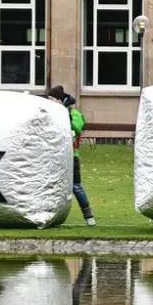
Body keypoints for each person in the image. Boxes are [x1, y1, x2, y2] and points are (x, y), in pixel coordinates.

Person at [48, 86, 96, 226]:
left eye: (51, 99)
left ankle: (89, 216)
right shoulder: (51, 113)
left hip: (71, 155)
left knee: (75, 186)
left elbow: (77, 128)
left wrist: (67, 118)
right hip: (54, 155)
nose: (49, 102)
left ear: (59, 99)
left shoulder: (74, 113)